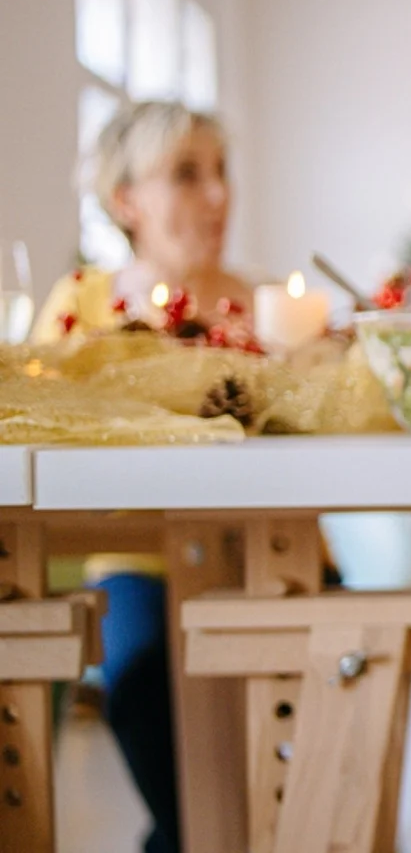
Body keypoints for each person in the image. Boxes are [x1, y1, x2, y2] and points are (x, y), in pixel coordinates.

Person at [33, 101, 254, 853]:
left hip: (267, 552)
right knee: (144, 697)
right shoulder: (82, 309)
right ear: (126, 199)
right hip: (136, 558)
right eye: (188, 175)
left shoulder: (265, 311)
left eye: (220, 172)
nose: (219, 195)